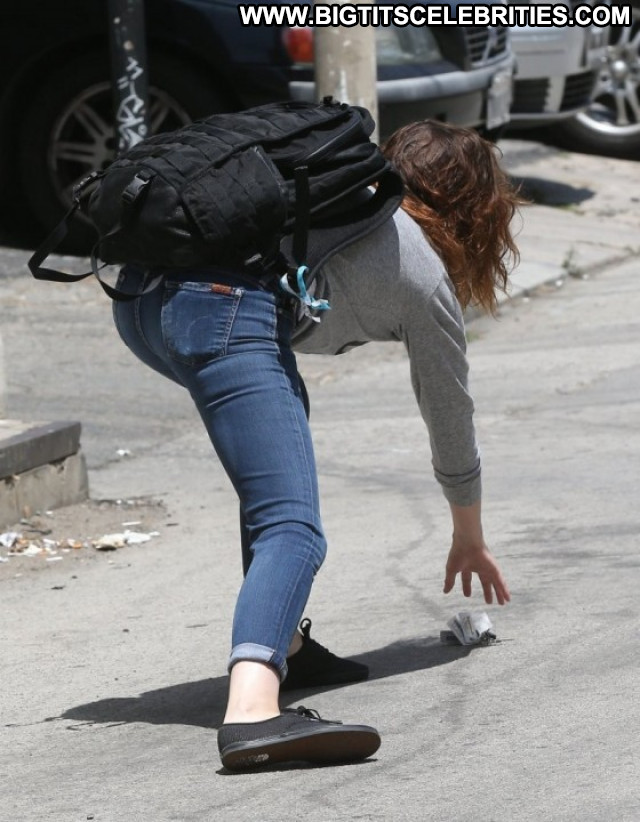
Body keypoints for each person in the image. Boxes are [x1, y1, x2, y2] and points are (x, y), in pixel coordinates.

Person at [111, 119, 519, 772]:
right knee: (293, 527)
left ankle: (290, 648)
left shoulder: (329, 207)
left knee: (275, 463)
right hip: (218, 308)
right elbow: (450, 414)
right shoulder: (421, 272)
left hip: (140, 302)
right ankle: (252, 712)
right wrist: (468, 535)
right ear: (474, 212)